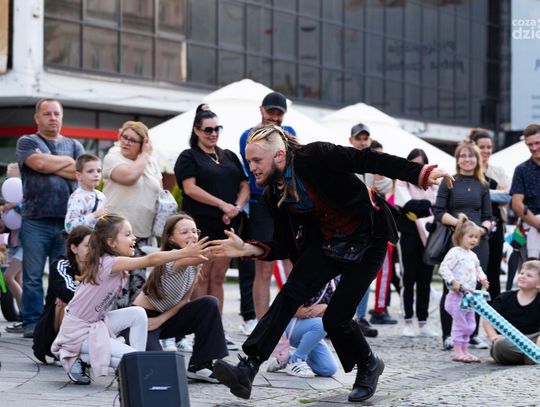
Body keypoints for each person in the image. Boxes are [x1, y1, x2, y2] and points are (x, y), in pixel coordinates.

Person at [209, 125, 452, 402]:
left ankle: (369, 364)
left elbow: (367, 159)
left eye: (256, 160)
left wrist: (420, 173)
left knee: (336, 318)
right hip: (327, 245)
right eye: (248, 161)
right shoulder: (273, 195)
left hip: (368, 237)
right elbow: (285, 245)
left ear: (279, 156)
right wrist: (246, 248)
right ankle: (248, 368)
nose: (251, 167)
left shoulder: (316, 156)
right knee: (289, 295)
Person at [51, 214, 209, 385]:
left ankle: (130, 365)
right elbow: (150, 259)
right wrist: (184, 252)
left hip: (96, 324)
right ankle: (80, 357)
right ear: (111, 242)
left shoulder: (113, 264)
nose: (134, 238)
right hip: (75, 334)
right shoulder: (109, 263)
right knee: (133, 359)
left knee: (137, 314)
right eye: (127, 234)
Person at [174, 104, 249, 350]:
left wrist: (236, 207)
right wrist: (222, 205)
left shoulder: (229, 156)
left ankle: (216, 329)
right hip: (200, 225)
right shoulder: (189, 156)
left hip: (226, 225)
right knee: (201, 277)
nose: (213, 133)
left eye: (217, 128)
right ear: (197, 130)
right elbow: (190, 189)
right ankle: (200, 331)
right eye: (208, 129)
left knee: (218, 278)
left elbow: (245, 185)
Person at [16, 98, 85, 338]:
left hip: (67, 223)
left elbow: (80, 172)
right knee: (33, 276)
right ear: (37, 118)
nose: (53, 118)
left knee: (60, 275)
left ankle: (51, 322)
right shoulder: (27, 142)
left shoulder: (74, 144)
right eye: (47, 114)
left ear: (62, 116)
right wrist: (67, 164)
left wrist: (50, 163)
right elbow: (38, 164)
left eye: (57, 113)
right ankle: (31, 322)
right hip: (35, 220)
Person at [132, 213, 228, 383]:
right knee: (158, 373)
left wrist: (161, 320)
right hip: (142, 319)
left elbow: (184, 301)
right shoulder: (172, 258)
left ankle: (200, 366)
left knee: (209, 303)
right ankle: (123, 345)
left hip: (165, 318)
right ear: (170, 238)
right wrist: (212, 252)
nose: (191, 235)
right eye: (184, 232)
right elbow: (189, 259)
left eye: (194, 231)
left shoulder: (195, 263)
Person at [239, 91, 296, 334]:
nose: (274, 117)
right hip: (261, 202)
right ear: (261, 110)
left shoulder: (289, 133)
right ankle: (262, 323)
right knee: (263, 266)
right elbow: (253, 170)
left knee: (293, 260)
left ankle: (295, 317)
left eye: (278, 113)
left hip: (286, 200)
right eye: (270, 111)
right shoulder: (248, 135)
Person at [433, 141, 493, 351]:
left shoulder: (483, 184)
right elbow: (438, 212)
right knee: (451, 288)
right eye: (463, 156)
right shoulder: (449, 181)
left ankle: (472, 334)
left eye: (471, 156)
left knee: (475, 289)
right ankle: (447, 335)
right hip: (455, 241)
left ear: (477, 159)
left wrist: (481, 230)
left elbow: (488, 216)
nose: (467, 159)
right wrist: (460, 224)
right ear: (457, 159)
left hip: (479, 243)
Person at [102, 121, 162, 308]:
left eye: (132, 140)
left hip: (142, 235)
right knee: (115, 288)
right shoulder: (113, 156)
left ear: (143, 143)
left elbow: (158, 191)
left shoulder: (151, 162)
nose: (126, 142)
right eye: (124, 137)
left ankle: (130, 324)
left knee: (137, 288)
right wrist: (144, 154)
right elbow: (129, 176)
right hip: (115, 235)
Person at [32, 225, 92, 364]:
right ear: (74, 248)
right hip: (52, 328)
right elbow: (68, 294)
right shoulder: (61, 264)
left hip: (90, 322)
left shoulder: (100, 265)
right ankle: (64, 349)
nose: (92, 250)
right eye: (87, 246)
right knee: (65, 303)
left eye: (95, 246)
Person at [395, 149, 438, 337]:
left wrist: (420, 205)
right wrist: (426, 205)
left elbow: (438, 204)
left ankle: (423, 322)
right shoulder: (402, 181)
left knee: (425, 279)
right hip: (408, 233)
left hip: (429, 235)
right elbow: (407, 204)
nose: (417, 168)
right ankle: (408, 320)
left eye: (420, 164)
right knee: (408, 278)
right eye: (413, 164)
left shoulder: (433, 183)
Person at [438, 214, 490, 363]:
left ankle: (465, 350)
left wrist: (483, 278)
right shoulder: (454, 252)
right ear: (460, 236)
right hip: (456, 297)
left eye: (476, 237)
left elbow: (478, 269)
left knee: (471, 325)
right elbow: (444, 268)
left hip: (469, 297)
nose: (474, 240)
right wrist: (453, 281)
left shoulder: (472, 255)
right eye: (471, 236)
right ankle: (457, 351)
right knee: (461, 325)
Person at [267, 278, 339, 378]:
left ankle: (286, 358)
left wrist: (325, 307)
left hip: (311, 327)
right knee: (323, 323)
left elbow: (339, 315)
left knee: (328, 368)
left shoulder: (335, 282)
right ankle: (296, 360)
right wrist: (323, 311)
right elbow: (295, 311)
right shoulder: (308, 276)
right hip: (287, 325)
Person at [469, 128, 510, 301]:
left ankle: (495, 310)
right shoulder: (468, 170)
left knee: (493, 270)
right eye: (482, 147)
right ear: (474, 147)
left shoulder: (498, 171)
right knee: (472, 270)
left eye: (489, 147)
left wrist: (484, 193)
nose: (486, 151)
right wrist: (495, 191)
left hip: (495, 225)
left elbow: (507, 196)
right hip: (471, 226)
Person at [482, 260, 540, 365]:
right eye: (521, 273)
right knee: (500, 345)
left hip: (534, 339)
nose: (523, 276)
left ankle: (533, 354)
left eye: (529, 275)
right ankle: (531, 356)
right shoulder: (505, 297)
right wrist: (493, 336)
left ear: (538, 284)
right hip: (511, 341)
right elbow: (487, 318)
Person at [510, 124, 540, 259]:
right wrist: (538, 224)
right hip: (526, 227)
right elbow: (516, 204)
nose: (534, 148)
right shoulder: (521, 169)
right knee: (523, 267)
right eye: (530, 145)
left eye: (537, 143)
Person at [1, 163, 24, 333]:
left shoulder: (25, 195)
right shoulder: (8, 198)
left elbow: (29, 211)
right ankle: (22, 316)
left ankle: (26, 315)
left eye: (12, 178)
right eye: (7, 178)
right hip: (14, 243)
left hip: (25, 243)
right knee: (18, 279)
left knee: (8, 277)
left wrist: (15, 205)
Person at [64, 154, 107, 233]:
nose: (96, 174)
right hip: (81, 239)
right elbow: (69, 227)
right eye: (90, 171)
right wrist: (94, 215)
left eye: (99, 171)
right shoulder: (77, 197)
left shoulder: (101, 196)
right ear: (79, 175)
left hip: (96, 239)